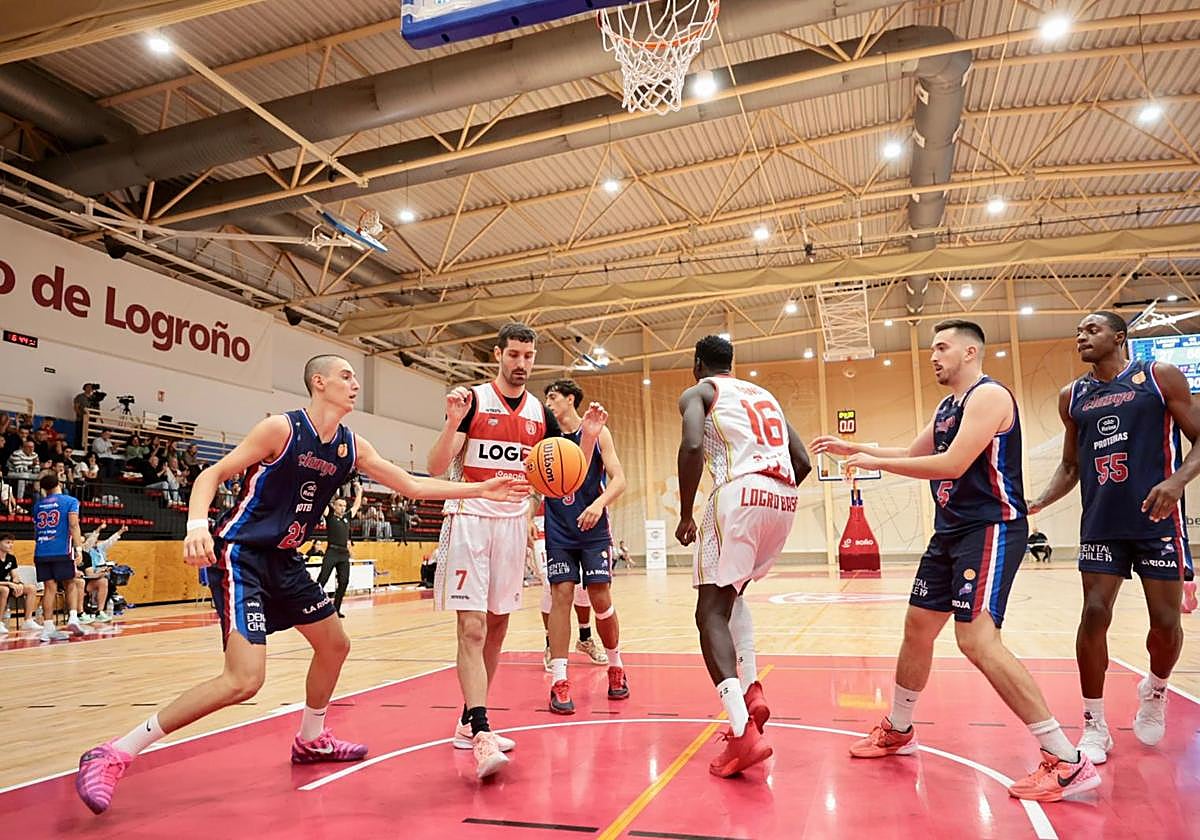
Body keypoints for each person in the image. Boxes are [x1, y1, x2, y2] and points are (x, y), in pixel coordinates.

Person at [74, 354, 528, 815]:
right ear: (319, 383)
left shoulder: (352, 445)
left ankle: (311, 739)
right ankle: (115, 751)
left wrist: (480, 488)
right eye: (347, 377)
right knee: (244, 680)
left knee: (334, 643)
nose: (355, 385)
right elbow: (211, 473)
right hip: (243, 556)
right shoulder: (280, 429)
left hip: (285, 561)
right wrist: (195, 526)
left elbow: (411, 486)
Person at [812, 319, 1099, 802]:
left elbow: (951, 464)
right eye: (932, 348)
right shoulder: (949, 407)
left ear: (971, 353)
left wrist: (877, 464)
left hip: (988, 529)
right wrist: (856, 447)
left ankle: (1067, 761)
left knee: (978, 641)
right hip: (950, 532)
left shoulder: (989, 397)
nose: (934, 356)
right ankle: (899, 728)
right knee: (918, 628)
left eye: (942, 347)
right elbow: (910, 451)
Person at [427, 322, 606, 779]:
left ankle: (470, 720)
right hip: (469, 518)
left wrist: (586, 437)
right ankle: (483, 729)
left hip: (512, 525)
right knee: (471, 629)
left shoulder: (539, 415)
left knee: (497, 628)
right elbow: (433, 469)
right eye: (514, 355)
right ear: (498, 355)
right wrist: (451, 424)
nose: (522, 364)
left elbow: (570, 474)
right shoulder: (472, 401)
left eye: (529, 356)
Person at [1029, 310, 1197, 765]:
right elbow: (1070, 465)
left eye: (1092, 329)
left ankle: (1156, 689)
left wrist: (1178, 481)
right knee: (1094, 612)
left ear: (1119, 337)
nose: (1081, 337)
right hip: (1101, 522)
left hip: (1156, 520)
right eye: (1079, 331)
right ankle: (1094, 724)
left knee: (1165, 624)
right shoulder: (1073, 396)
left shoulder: (1158, 378)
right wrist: (1039, 501)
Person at [676, 335, 811, 778]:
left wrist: (684, 513)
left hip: (739, 491)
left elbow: (693, 446)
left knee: (708, 613)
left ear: (698, 364)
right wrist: (771, 499)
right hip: (784, 496)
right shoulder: (764, 395)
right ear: (731, 364)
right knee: (731, 595)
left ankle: (742, 733)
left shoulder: (700, 391)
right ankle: (752, 689)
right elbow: (803, 460)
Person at [543, 379, 629, 712]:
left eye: (553, 397)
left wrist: (599, 504)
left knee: (600, 598)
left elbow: (619, 479)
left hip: (593, 529)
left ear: (570, 399)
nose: (549, 403)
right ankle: (559, 681)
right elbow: (553, 478)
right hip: (559, 529)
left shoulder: (598, 431)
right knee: (560, 597)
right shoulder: (546, 440)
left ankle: (616, 666)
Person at [32, 473, 87, 642]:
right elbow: (73, 524)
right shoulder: (70, 501)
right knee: (70, 583)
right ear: (59, 483)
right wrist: (78, 548)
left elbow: (36, 530)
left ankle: (47, 628)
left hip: (41, 550)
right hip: (61, 548)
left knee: (49, 588)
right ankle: (73, 617)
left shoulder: (38, 505)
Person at [317, 486, 363, 618]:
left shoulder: (347, 517)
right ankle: (314, 605)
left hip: (344, 554)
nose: (342, 508)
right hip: (332, 552)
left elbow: (356, 506)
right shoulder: (330, 515)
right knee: (323, 579)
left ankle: (336, 609)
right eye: (340, 505)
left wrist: (359, 492)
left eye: (344, 505)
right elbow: (322, 502)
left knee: (344, 581)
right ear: (334, 506)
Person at [0, 533, 42, 633]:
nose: (10, 545)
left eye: (12, 543)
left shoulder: (11, 558)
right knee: (5, 590)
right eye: (7, 542)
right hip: (4, 586)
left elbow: (15, 575)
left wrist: (18, 584)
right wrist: (9, 584)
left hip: (7, 584)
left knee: (31, 588)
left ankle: (28, 620)